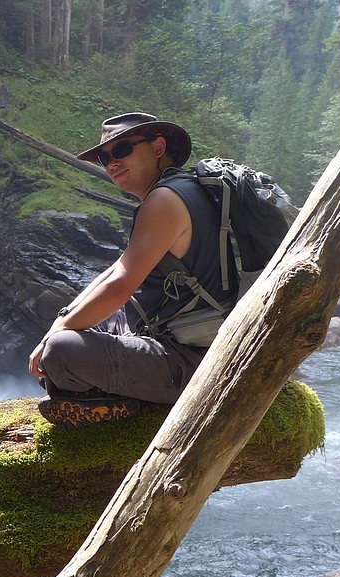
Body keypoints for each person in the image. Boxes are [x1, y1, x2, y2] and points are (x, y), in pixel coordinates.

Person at [29, 112, 231, 428]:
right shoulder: (187, 191)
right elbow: (115, 271)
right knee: (77, 329)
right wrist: (63, 318)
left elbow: (121, 286)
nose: (111, 163)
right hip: (204, 346)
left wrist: (55, 335)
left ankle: (116, 403)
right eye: (105, 157)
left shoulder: (164, 200)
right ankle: (98, 392)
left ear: (158, 147)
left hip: (196, 364)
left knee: (59, 352)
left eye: (122, 150)